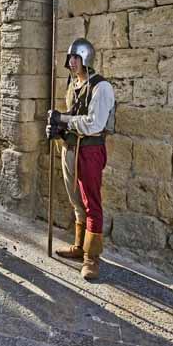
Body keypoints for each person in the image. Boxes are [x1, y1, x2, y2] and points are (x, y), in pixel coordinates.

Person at [46, 38, 115, 281]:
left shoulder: (101, 87)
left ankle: (92, 258)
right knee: (76, 201)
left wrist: (63, 120)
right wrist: (57, 128)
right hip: (71, 148)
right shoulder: (73, 84)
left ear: (86, 59)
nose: (71, 62)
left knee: (91, 203)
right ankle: (79, 246)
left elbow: (94, 123)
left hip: (90, 151)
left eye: (76, 57)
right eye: (70, 58)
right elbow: (73, 115)